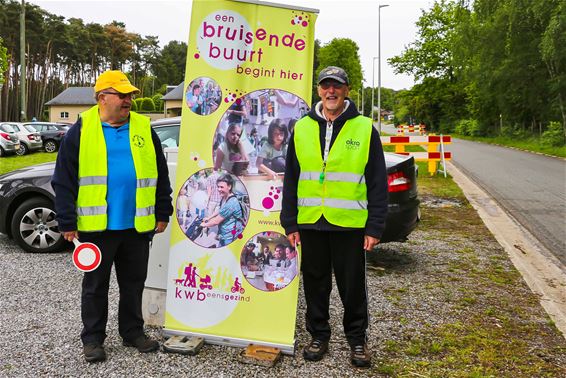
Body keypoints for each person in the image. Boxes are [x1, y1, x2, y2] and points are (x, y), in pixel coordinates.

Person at [51, 70, 173, 363]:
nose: (128, 100)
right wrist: (67, 221)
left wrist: (162, 210)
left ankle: (132, 332)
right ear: (102, 97)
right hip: (96, 227)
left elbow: (160, 173)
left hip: (136, 225)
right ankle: (93, 339)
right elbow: (63, 180)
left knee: (134, 283)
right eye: (121, 94)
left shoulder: (144, 128)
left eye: (130, 94)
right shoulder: (80, 131)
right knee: (95, 287)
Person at [281, 66, 388, 368]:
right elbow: (291, 177)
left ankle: (357, 339)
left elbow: (377, 181)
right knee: (315, 283)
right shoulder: (301, 127)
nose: (331, 91)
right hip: (311, 221)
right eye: (326, 86)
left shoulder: (365, 128)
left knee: (351, 285)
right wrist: (290, 220)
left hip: (349, 224)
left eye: (337, 86)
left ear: (347, 91)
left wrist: (375, 226)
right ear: (318, 91)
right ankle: (318, 335)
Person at [201, 174, 245, 247]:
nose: (219, 189)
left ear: (229, 187)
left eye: (221, 187)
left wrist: (204, 224)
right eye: (218, 187)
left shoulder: (231, 203)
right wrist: (209, 218)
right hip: (224, 234)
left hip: (230, 236)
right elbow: (221, 210)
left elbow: (216, 221)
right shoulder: (225, 197)